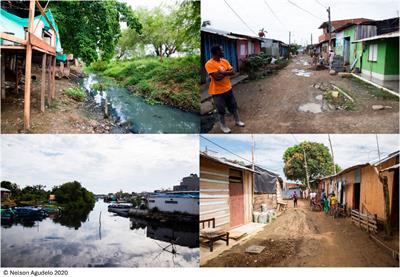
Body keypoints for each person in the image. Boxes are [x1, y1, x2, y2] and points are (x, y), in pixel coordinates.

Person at [205, 45, 245, 133]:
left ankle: (238, 121)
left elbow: (233, 72)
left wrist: (222, 72)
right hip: (217, 92)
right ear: (216, 52)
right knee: (221, 109)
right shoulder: (209, 64)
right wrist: (227, 73)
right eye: (221, 51)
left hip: (228, 89)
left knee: (233, 106)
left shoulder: (225, 61)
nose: (223, 52)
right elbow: (216, 78)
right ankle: (223, 126)